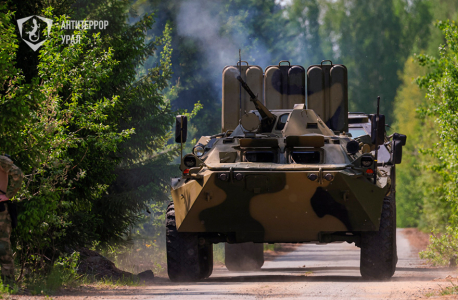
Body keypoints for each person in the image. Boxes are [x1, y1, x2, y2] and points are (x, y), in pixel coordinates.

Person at [0, 155, 23, 285]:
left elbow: (18, 174)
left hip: (1, 213)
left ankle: (8, 284)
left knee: (3, 248)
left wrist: (8, 195)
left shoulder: (1, 161)